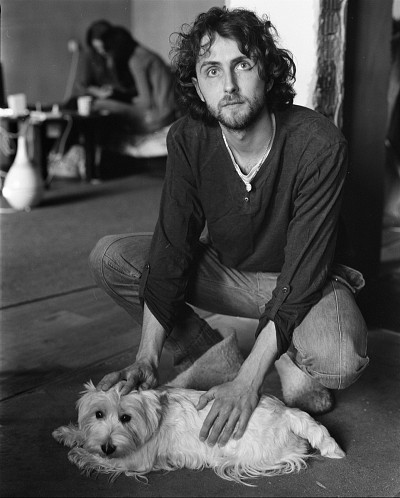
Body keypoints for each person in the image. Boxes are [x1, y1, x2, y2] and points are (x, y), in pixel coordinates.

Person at [89, 6, 369, 448]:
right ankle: (207, 353)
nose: (229, 85)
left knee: (338, 360)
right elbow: (172, 247)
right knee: (111, 257)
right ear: (198, 86)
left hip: (309, 279)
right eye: (212, 70)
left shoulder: (318, 143)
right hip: (231, 274)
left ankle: (287, 357)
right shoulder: (187, 138)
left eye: (243, 64)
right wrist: (146, 357)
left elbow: (303, 273)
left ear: (268, 73)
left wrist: (248, 383)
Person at [92, 25, 177, 134]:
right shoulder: (142, 52)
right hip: (168, 110)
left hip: (159, 116)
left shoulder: (136, 60)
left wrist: (119, 98)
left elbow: (146, 103)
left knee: (98, 104)